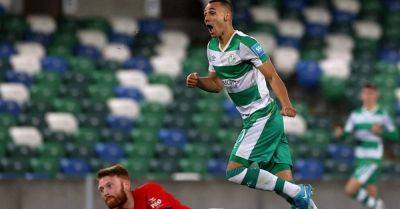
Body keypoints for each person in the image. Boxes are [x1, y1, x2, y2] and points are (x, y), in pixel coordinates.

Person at [186, 1, 316, 208]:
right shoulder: (211, 48)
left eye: (212, 13)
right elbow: (216, 84)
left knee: (235, 171)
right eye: (204, 14)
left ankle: (299, 190)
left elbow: (272, 76)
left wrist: (286, 104)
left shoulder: (245, 43)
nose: (206, 18)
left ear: (227, 16)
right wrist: (199, 81)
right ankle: (300, 194)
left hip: (262, 116)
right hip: (259, 120)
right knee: (291, 194)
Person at [335, 83, 398, 209]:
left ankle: (379, 206)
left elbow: (396, 135)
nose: (368, 96)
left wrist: (381, 132)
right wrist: (340, 134)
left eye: (371, 93)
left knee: (350, 189)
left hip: (372, 158)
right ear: (361, 96)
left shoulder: (382, 114)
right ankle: (377, 205)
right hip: (359, 158)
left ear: (376, 95)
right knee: (371, 192)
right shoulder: (355, 115)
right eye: (365, 93)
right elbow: (346, 134)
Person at [97, 164, 190, 209]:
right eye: (101, 189)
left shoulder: (148, 191)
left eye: (109, 186)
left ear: (126, 185)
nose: (105, 192)